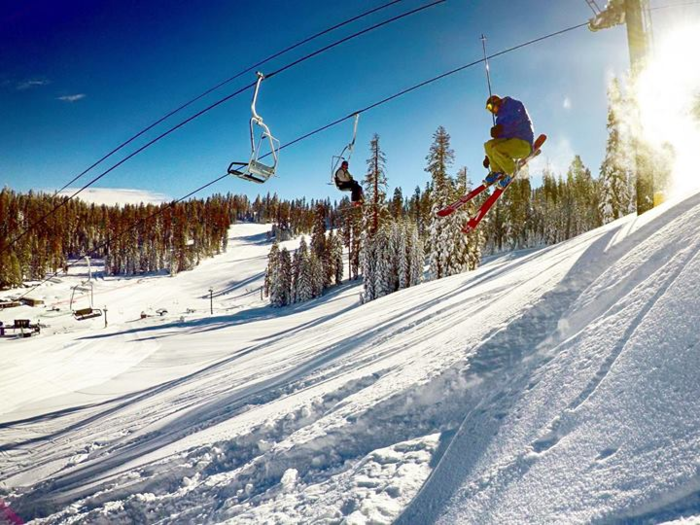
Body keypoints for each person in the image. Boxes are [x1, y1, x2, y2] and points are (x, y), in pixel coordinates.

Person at [482, 94, 535, 188]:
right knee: (488, 145)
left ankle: (512, 172)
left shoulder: (512, 104)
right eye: (488, 109)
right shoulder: (499, 119)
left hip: (523, 142)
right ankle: (497, 171)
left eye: (490, 107)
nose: (491, 111)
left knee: (498, 149)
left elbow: (514, 120)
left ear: (496, 102)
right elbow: (500, 139)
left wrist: (501, 128)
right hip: (511, 142)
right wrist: (489, 157)